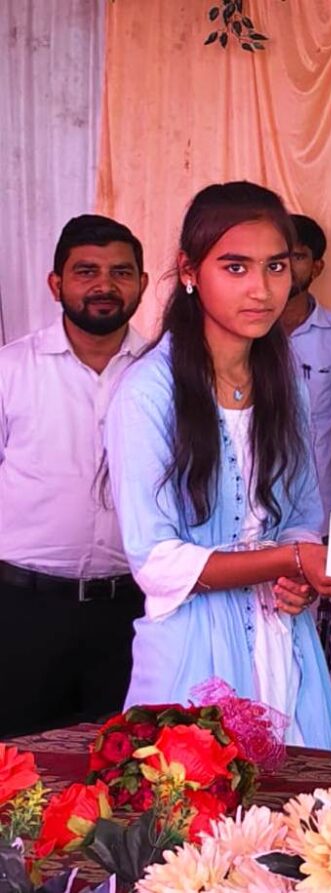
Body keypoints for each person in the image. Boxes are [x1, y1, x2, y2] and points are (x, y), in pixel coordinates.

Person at [104, 182, 331, 749]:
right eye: (236, 267)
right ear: (190, 271)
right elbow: (156, 562)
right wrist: (289, 559)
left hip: (282, 642)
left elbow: (301, 516)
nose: (261, 289)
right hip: (192, 651)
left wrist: (297, 579)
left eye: (276, 266)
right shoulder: (147, 391)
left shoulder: (284, 381)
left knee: (299, 801)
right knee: (196, 796)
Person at [0, 215, 148, 738]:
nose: (104, 285)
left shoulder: (165, 374)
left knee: (128, 766)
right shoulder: (11, 370)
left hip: (133, 613)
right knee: (16, 765)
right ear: (55, 283)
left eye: (120, 272)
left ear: (142, 283)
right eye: (86, 271)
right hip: (23, 610)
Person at [279, 214, 331, 532]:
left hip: (321, 512)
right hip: (257, 513)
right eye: (278, 258)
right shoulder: (247, 332)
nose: (286, 267)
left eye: (298, 257)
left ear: (317, 267)